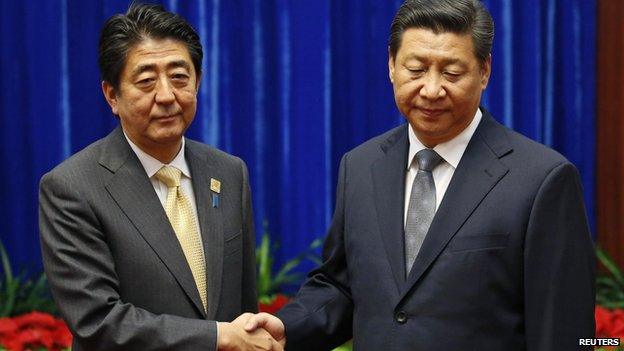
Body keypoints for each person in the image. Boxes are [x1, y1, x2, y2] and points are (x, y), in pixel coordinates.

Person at [245, 0, 595, 350]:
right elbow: (343, 285)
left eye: (452, 73)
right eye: (416, 69)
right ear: (391, 66)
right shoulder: (361, 166)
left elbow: (564, 330)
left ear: (485, 71)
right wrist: (286, 327)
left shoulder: (542, 179)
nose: (431, 89)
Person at [39, 3, 282, 351]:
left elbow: (243, 305)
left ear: (197, 82)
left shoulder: (228, 172)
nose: (167, 95)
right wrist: (219, 337)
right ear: (112, 95)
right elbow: (98, 321)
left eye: (179, 77)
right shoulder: (72, 187)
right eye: (146, 81)